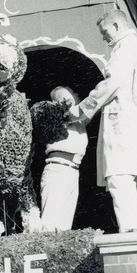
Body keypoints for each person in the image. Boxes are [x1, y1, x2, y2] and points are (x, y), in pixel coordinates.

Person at [69, 9, 137, 232]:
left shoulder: (125, 48)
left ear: (117, 26)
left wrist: (80, 109)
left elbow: (112, 83)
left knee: (119, 176)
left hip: (124, 125)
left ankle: (130, 232)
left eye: (105, 31)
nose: (103, 37)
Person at [40, 86, 88, 231]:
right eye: (72, 94)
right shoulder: (59, 114)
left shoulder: (79, 120)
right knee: (49, 224)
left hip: (72, 170)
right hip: (58, 169)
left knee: (64, 228)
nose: (77, 94)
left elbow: (92, 108)